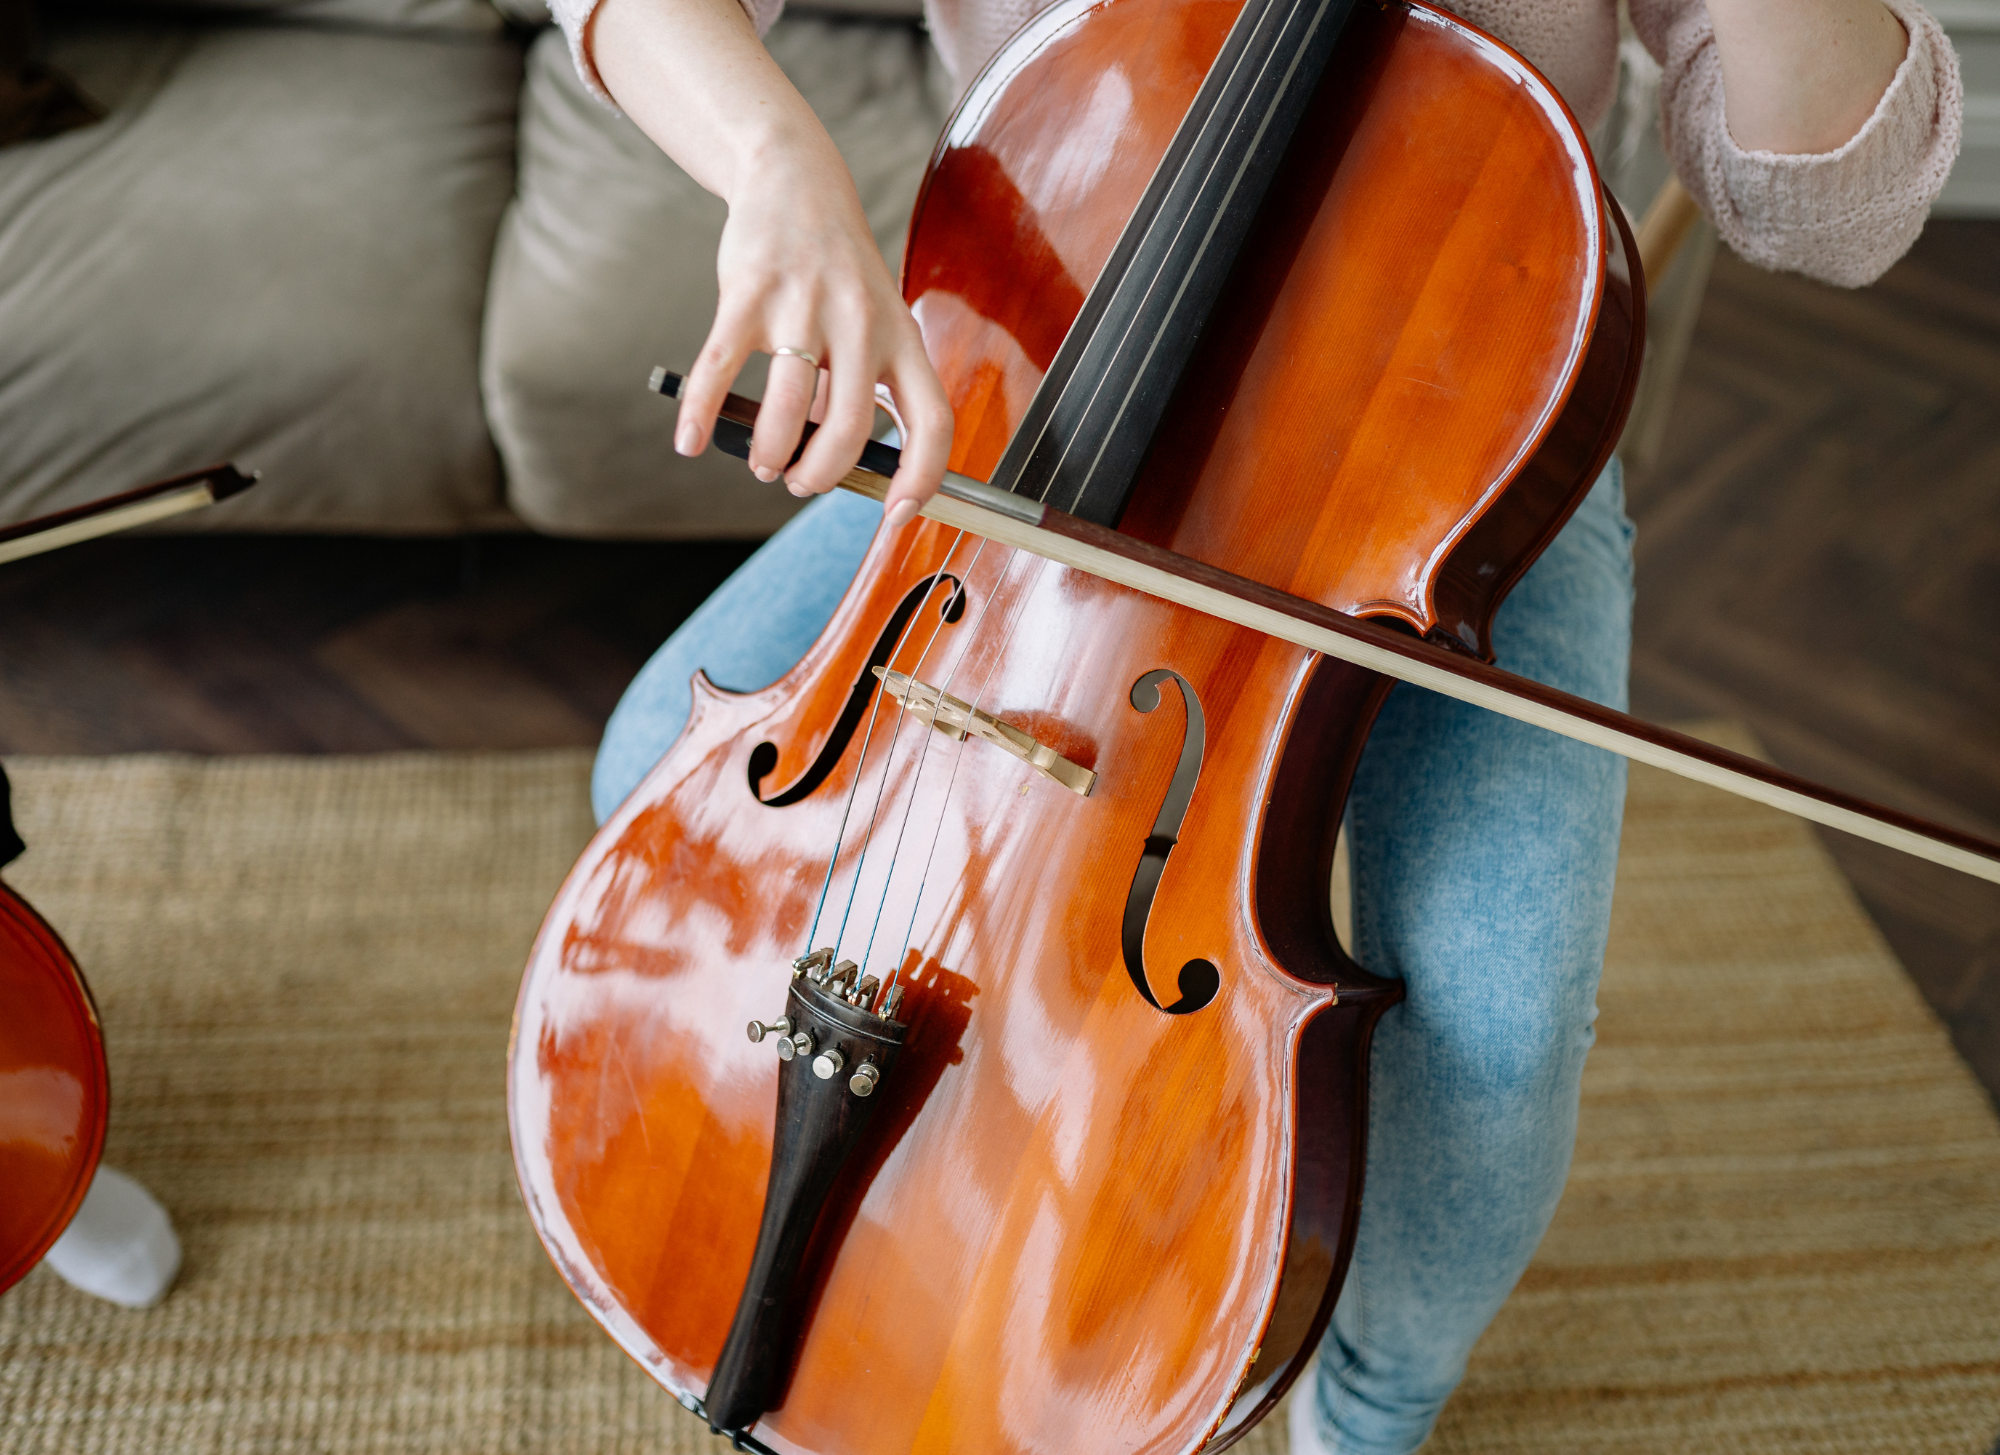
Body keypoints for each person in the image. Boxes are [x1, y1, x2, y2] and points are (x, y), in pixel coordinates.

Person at [548, 0, 1962, 1449]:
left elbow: (1829, 213)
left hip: (1462, 407)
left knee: (1495, 1029)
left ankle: (1369, 1396)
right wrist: (774, 156)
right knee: (668, 758)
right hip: (1053, 377)